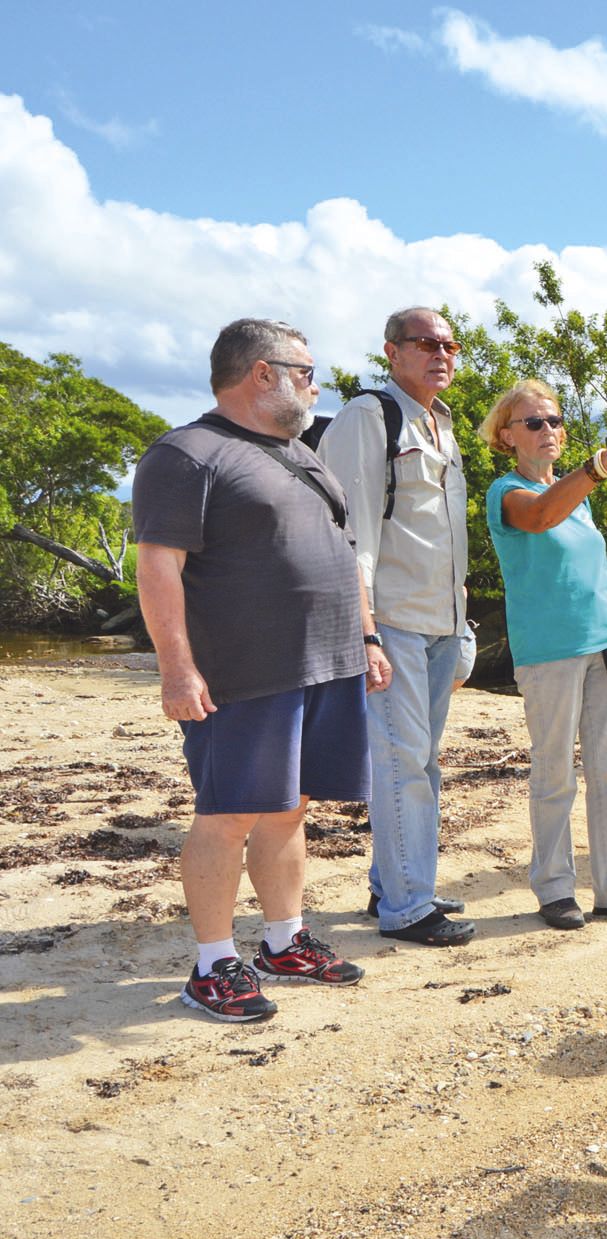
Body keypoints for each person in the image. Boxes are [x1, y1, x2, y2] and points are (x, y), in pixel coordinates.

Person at [132, 319, 386, 1022]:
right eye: (304, 370)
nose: (313, 382)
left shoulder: (301, 452)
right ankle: (213, 963)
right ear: (261, 373)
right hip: (245, 672)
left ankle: (284, 940)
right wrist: (177, 670)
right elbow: (158, 567)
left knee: (289, 805)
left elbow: (343, 545)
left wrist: (366, 637)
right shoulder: (188, 454)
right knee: (230, 812)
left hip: (325, 664)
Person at [483, 380, 607, 931]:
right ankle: (555, 888)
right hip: (549, 655)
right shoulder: (506, 491)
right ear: (506, 435)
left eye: (554, 420)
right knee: (555, 773)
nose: (548, 430)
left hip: (604, 646)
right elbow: (540, 516)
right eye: (533, 422)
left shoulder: (579, 496)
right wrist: (604, 461)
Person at [318, 307, 475, 947]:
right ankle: (408, 907)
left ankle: (398, 882)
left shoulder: (439, 423)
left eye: (449, 344)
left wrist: (463, 627)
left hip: (442, 622)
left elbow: (446, 538)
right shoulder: (369, 416)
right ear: (393, 351)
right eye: (425, 343)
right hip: (394, 622)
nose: (441, 353)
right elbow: (349, 534)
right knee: (403, 762)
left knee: (421, 762)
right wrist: (366, 631)